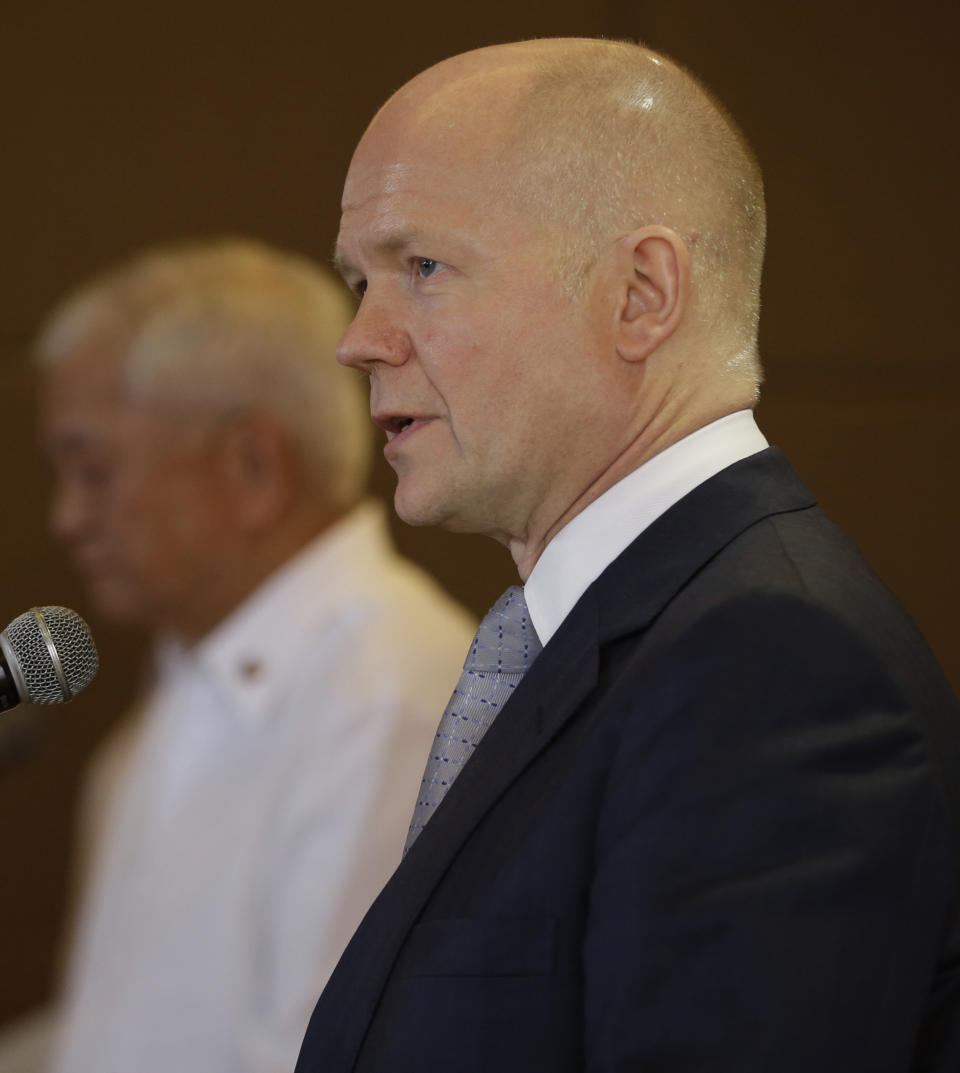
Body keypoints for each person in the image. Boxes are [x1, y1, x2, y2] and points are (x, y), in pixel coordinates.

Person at [294, 38, 960, 1072]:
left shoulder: (770, 667)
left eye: (422, 267)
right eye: (358, 278)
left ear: (642, 294)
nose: (359, 337)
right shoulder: (622, 638)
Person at [0, 238, 476, 1073]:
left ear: (253, 466)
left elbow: (318, 1058)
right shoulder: (181, 686)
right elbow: (121, 1034)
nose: (66, 519)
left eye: (94, 470)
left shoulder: (386, 697)